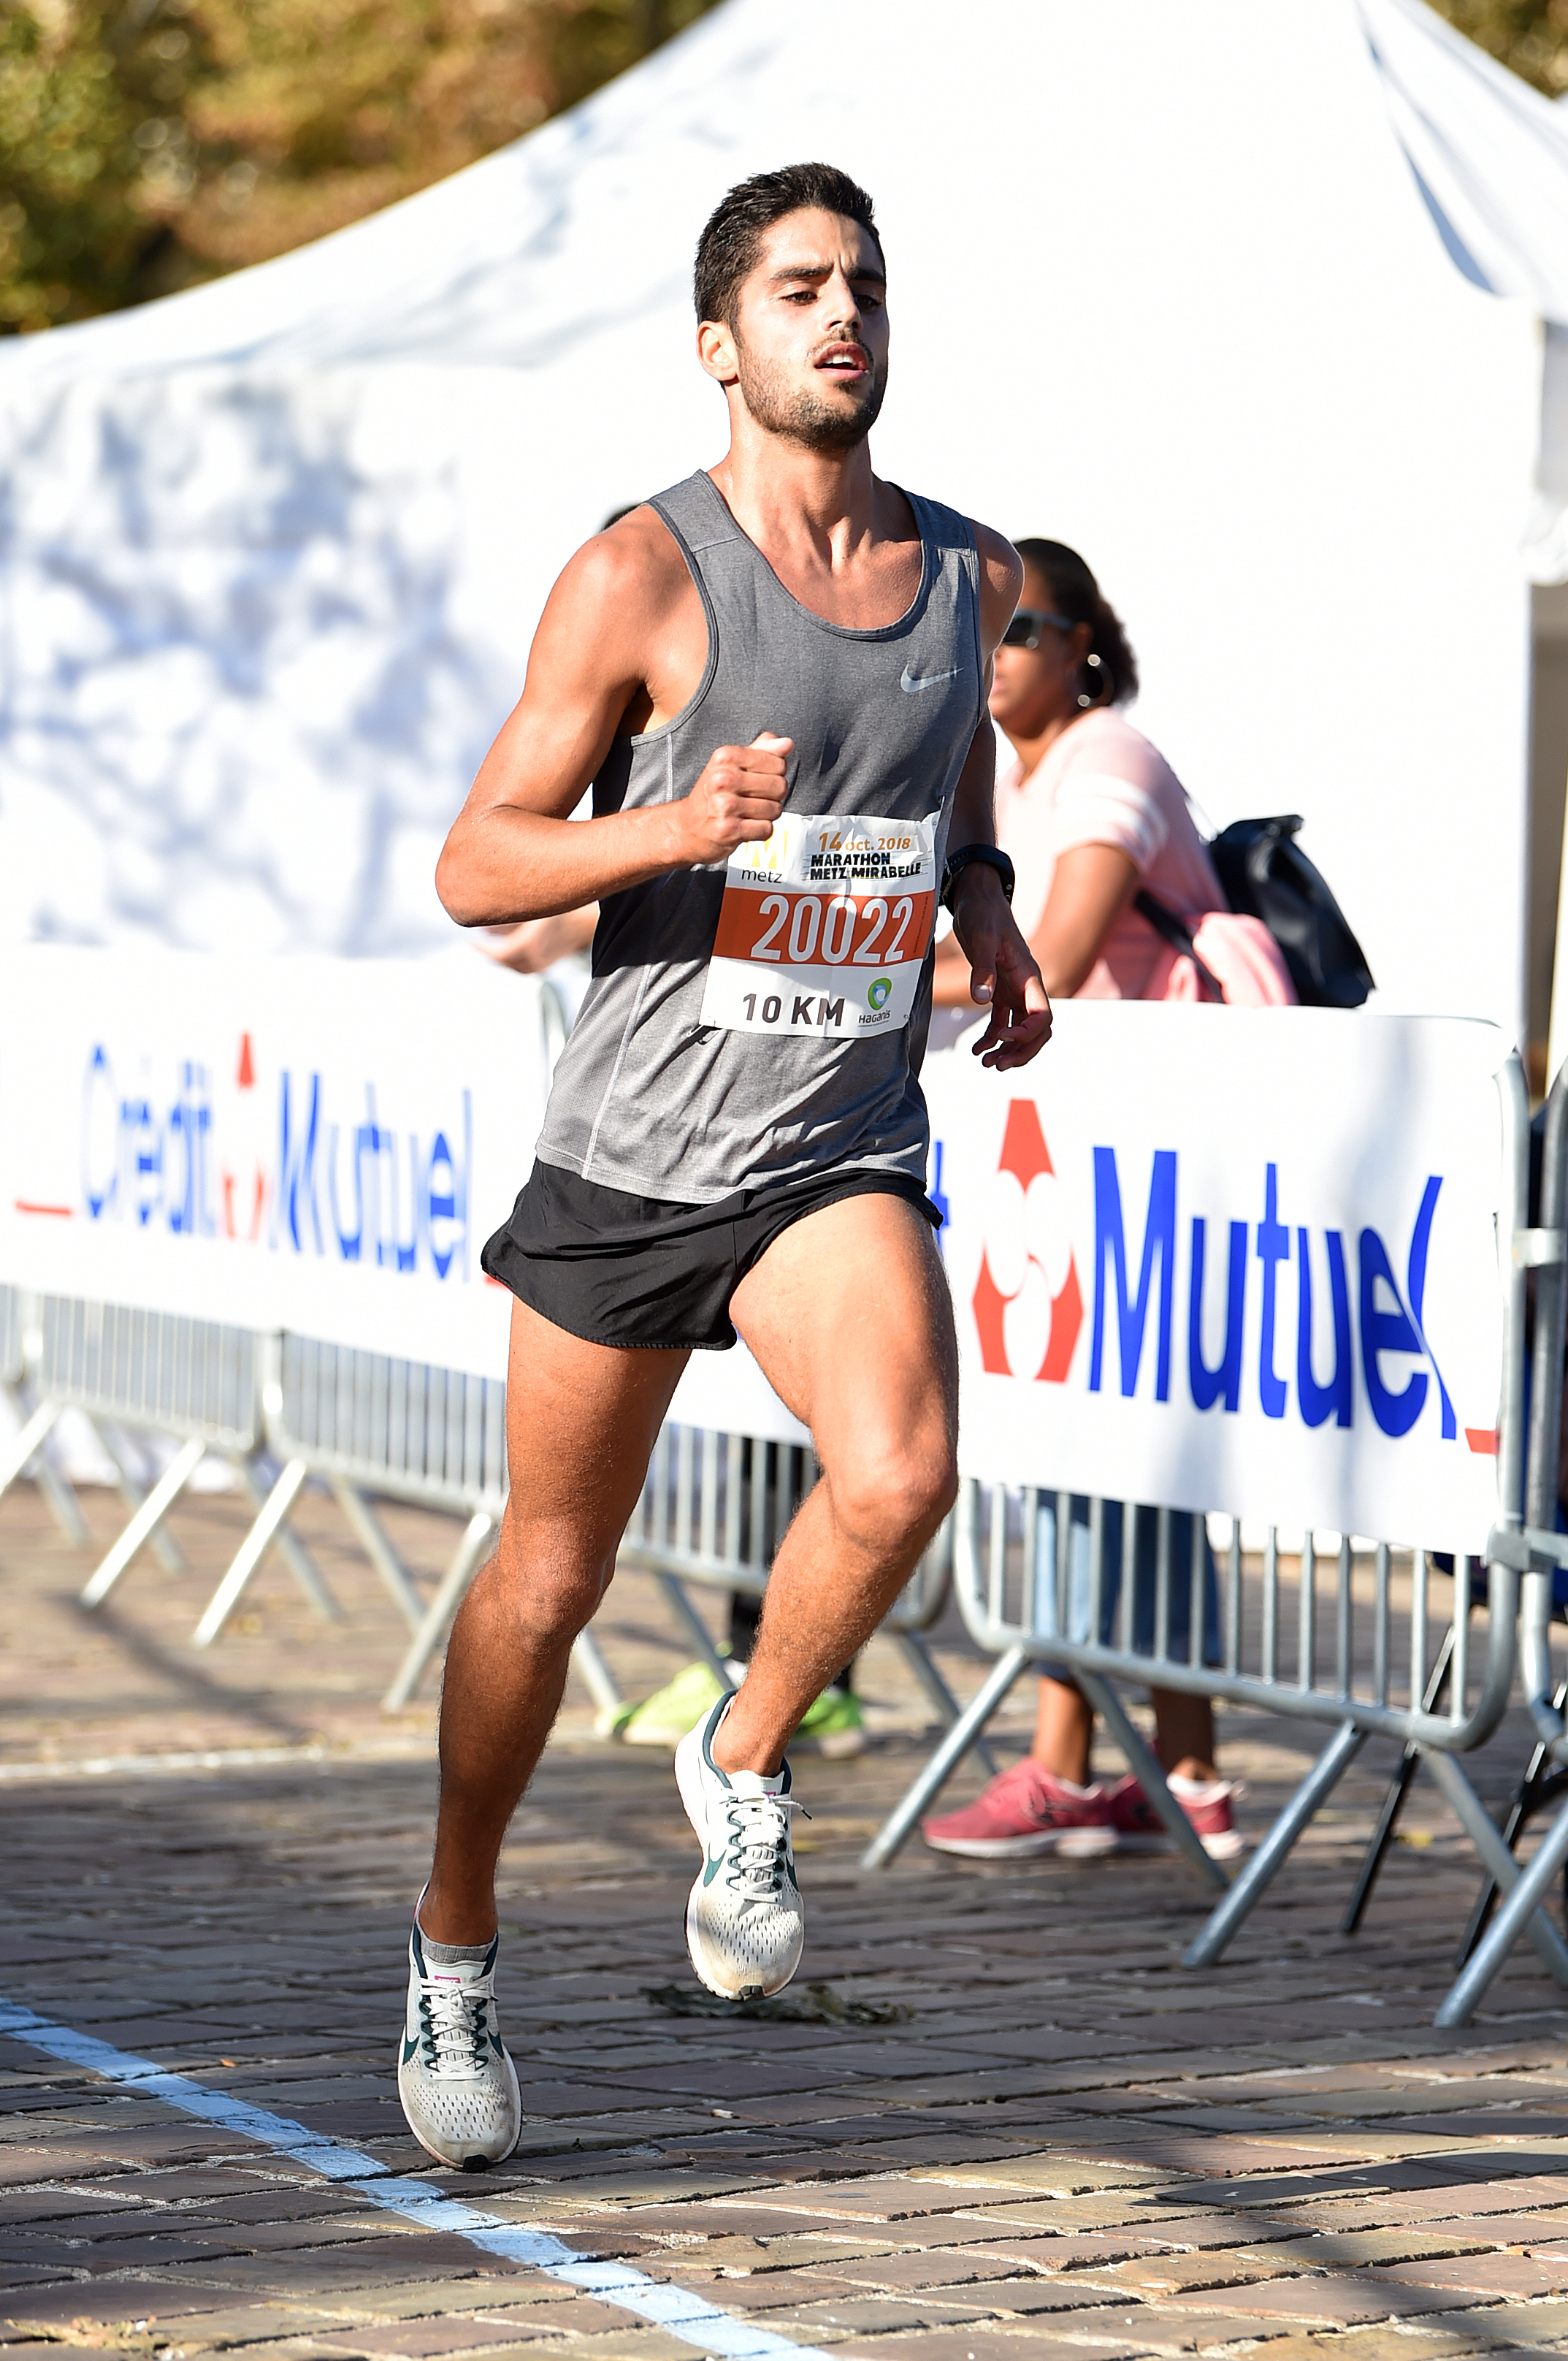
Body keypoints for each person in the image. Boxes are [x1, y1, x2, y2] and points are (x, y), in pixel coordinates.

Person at [399, 161, 1052, 2170]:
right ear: (722, 344)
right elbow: (475, 861)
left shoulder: (968, 575)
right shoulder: (639, 576)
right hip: (629, 1154)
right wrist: (667, 832)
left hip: (831, 1145)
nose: (837, 314)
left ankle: (742, 1756)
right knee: (548, 1579)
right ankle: (452, 1940)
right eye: (795, 289)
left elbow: (949, 807)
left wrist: (994, 908)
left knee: (900, 1473)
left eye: (861, 283)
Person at [922, 539, 1277, 1869]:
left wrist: (865, 963)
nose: (1001, 652)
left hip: (1164, 1167)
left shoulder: (1109, 761)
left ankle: (1132, 1766)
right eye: (989, 632)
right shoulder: (1009, 779)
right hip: (1077, 1165)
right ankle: (1144, 1770)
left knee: (1137, 1456)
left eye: (1028, 630)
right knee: (1100, 1454)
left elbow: (1053, 961)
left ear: (1086, 648)